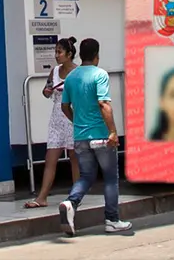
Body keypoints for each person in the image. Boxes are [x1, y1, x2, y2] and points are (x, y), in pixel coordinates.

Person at [58, 39, 131, 236]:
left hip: (80, 137)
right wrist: (113, 131)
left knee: (86, 176)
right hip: (101, 136)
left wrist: (77, 121)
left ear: (80, 55)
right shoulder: (100, 74)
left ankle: (71, 202)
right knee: (110, 178)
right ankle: (112, 220)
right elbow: (104, 104)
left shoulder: (71, 77)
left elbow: (64, 106)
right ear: (97, 55)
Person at [25, 37, 80, 209]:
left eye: (59, 52)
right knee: (51, 157)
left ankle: (76, 196)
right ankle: (42, 197)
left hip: (72, 116)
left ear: (69, 54)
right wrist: (47, 90)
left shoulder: (78, 72)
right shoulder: (55, 71)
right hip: (56, 118)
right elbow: (46, 90)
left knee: (74, 158)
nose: (56, 55)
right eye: (55, 52)